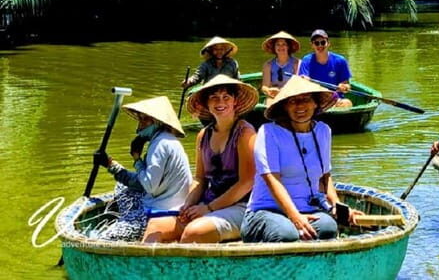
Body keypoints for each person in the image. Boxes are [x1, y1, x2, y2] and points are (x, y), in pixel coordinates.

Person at [241, 76, 360, 243]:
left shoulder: (323, 131)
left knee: (328, 227)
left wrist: (338, 207)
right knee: (286, 234)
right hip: (266, 211)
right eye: (293, 101)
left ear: (315, 103)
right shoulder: (268, 133)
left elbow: (325, 176)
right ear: (285, 107)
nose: (300, 106)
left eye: (306, 99)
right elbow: (272, 180)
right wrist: (295, 217)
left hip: (307, 209)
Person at [92, 96, 192, 242]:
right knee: (121, 186)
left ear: (157, 123)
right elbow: (142, 183)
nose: (140, 126)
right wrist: (110, 165)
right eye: (140, 120)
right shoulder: (164, 140)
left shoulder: (159, 145)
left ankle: (127, 225)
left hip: (164, 210)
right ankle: (127, 219)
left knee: (106, 239)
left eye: (145, 120)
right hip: (166, 200)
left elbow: (149, 186)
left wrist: (138, 161)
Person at [179, 75, 258, 242]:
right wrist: (187, 205)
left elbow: (247, 182)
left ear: (235, 101)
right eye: (214, 98)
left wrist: (208, 208)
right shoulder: (203, 135)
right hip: (210, 202)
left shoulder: (245, 133)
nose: (220, 103)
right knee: (163, 227)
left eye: (226, 97)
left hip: (243, 205)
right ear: (207, 104)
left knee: (193, 233)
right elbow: (200, 179)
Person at [297, 29, 352, 108]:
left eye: (323, 42)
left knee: (347, 103)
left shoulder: (340, 60)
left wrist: (344, 86)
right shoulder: (306, 60)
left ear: (328, 43)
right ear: (312, 45)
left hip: (335, 98)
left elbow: (346, 84)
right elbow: (303, 84)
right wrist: (305, 81)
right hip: (315, 100)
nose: (320, 46)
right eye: (316, 43)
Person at [260, 31, 301, 102]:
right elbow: (265, 86)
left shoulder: (297, 63)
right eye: (277, 45)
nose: (280, 47)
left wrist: (282, 91)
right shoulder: (268, 65)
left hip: (291, 95)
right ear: (274, 47)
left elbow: (297, 84)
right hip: (274, 96)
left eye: (284, 44)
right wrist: (269, 90)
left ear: (288, 47)